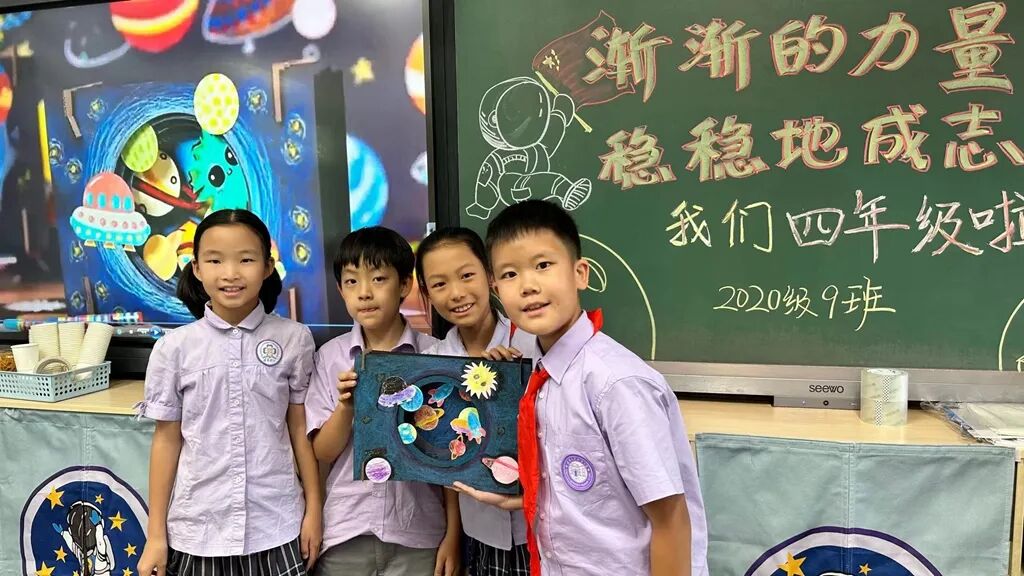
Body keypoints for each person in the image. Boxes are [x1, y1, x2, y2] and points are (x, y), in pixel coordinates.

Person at [457, 199, 709, 576]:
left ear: (580, 273)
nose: (528, 286)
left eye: (543, 265)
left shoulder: (616, 384)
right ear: (496, 288)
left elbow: (671, 518)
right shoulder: (538, 374)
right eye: (509, 274)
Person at [137, 209, 321, 576]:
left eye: (246, 260)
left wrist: (314, 508)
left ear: (267, 267)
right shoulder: (174, 349)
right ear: (196, 268)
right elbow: (166, 441)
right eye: (215, 260)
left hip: (277, 524)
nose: (231, 273)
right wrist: (155, 535)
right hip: (198, 529)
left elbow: (300, 430)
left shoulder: (294, 339)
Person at [305, 226, 461, 576]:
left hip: (419, 533)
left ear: (404, 284)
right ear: (340, 290)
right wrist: (346, 407)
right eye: (351, 282)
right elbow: (323, 452)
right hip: (346, 530)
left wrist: (453, 534)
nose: (364, 293)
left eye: (378, 279)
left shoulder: (436, 355)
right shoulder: (330, 357)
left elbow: (450, 455)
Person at [416, 226, 538, 575]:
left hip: (540, 529)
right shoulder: (434, 366)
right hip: (479, 533)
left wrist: (515, 383)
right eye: (439, 284)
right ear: (426, 292)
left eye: (467, 275)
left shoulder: (532, 344)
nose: (456, 293)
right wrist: (453, 536)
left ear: (489, 274)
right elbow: (446, 457)